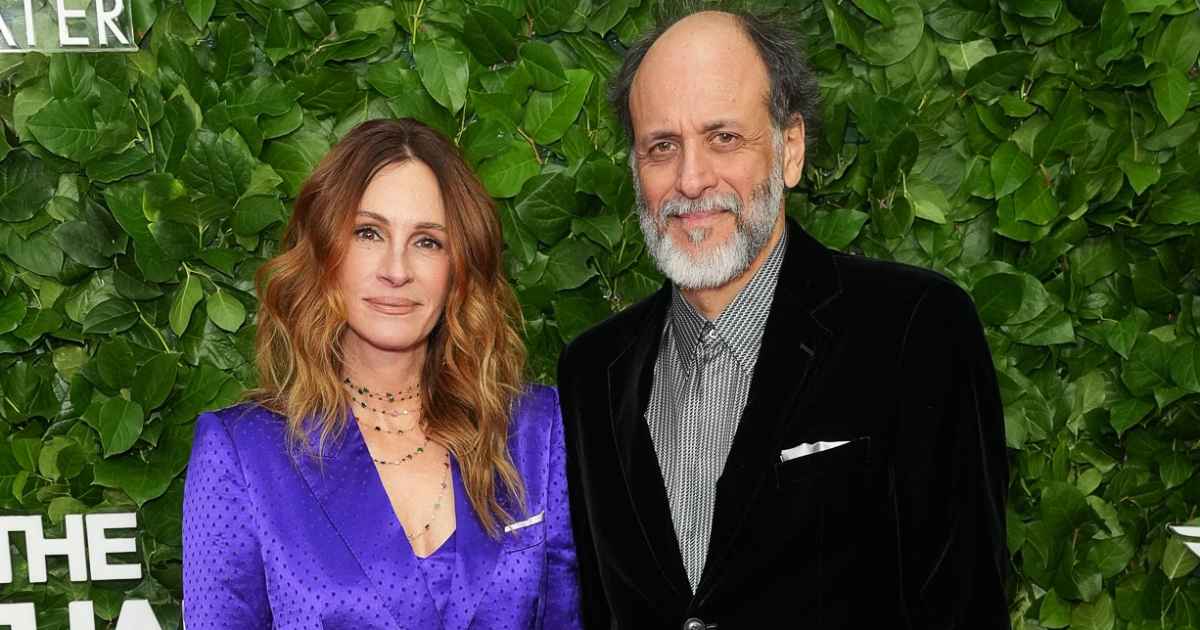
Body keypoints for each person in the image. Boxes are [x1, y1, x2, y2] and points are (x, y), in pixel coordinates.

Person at [558, 8, 1010, 629]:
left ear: (789, 148)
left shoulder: (915, 330)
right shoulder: (591, 374)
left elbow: (965, 602)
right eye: (662, 146)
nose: (691, 179)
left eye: (723, 137)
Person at [183, 119, 582, 629]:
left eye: (427, 241)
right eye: (369, 233)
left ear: (459, 266)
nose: (397, 270)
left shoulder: (537, 431)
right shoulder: (244, 452)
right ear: (326, 250)